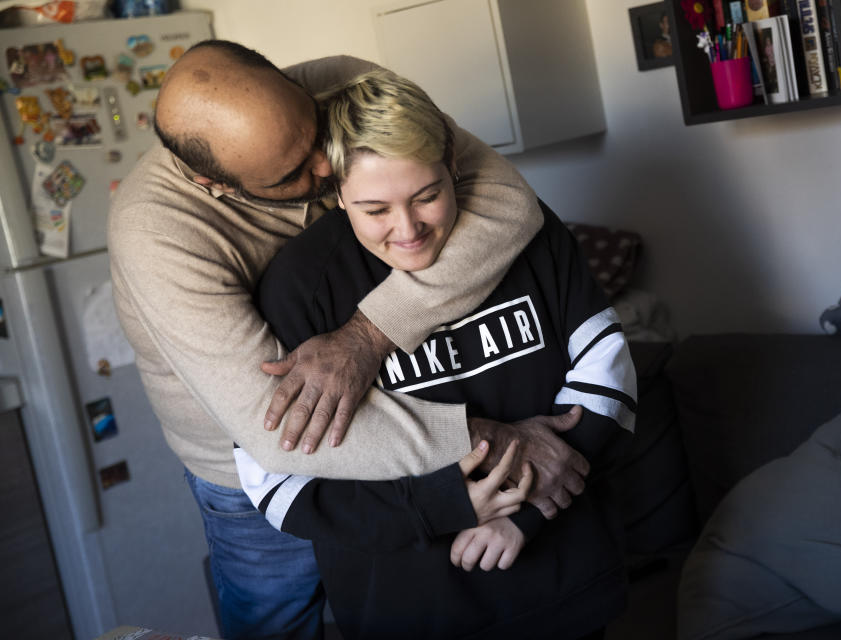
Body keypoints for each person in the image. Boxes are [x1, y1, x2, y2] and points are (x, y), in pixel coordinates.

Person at [108, 40, 591, 639]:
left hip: (400, 413)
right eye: (292, 174)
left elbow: (509, 204)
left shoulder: (341, 86)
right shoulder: (156, 232)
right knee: (276, 622)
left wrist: (369, 336)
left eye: (314, 136)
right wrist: (489, 437)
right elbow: (276, 429)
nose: (326, 168)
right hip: (262, 468)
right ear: (217, 184)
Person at [237, 69, 638, 639]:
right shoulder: (298, 286)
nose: (408, 231)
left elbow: (608, 376)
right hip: (408, 610)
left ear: (454, 162)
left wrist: (527, 514)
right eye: (374, 209)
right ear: (335, 192)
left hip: (562, 587)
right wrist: (444, 505)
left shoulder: (526, 227)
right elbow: (275, 483)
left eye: (428, 196)